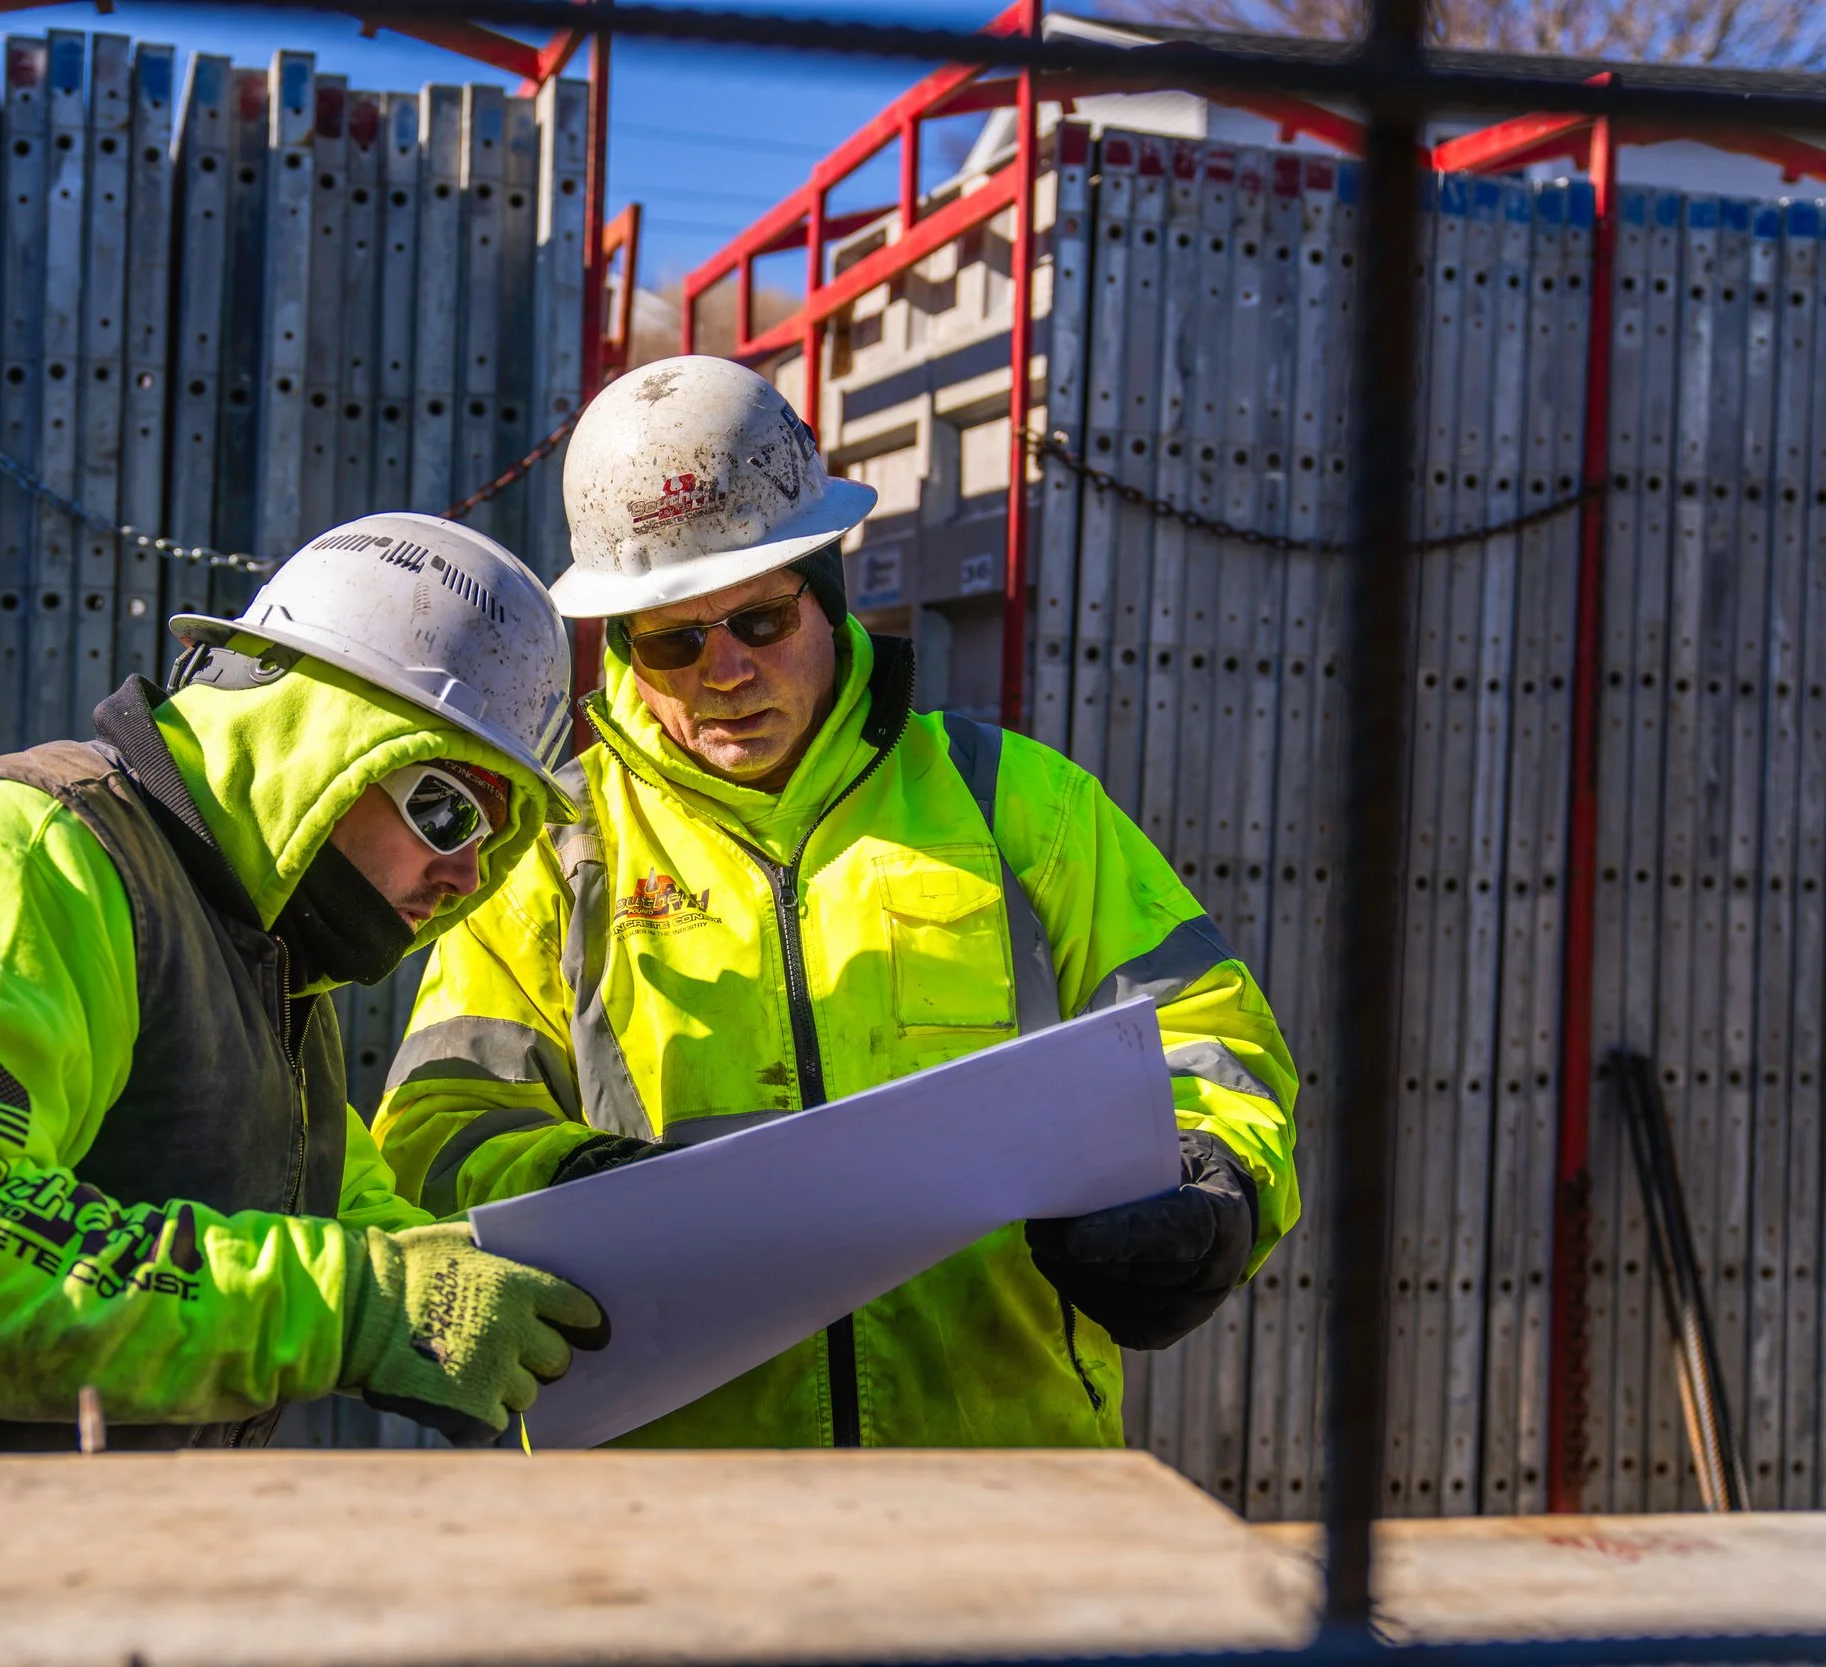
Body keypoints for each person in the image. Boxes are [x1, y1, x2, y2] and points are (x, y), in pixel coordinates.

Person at [372, 358, 1299, 1447]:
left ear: (826, 585)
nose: (721, 671)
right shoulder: (553, 848)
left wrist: (1210, 1176)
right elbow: (434, 1133)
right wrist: (589, 1188)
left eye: (759, 621)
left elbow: (1207, 1035)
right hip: (665, 1511)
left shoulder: (1021, 808)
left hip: (1000, 1485)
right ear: (621, 642)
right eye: (673, 639)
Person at [0, 513, 608, 1456]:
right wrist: (356, 1306)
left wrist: (557, 1263)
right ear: (317, 740)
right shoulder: (6, 868)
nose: (468, 874)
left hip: (22, 1566)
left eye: (494, 840)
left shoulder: (268, 970)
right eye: (444, 808)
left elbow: (358, 1225)